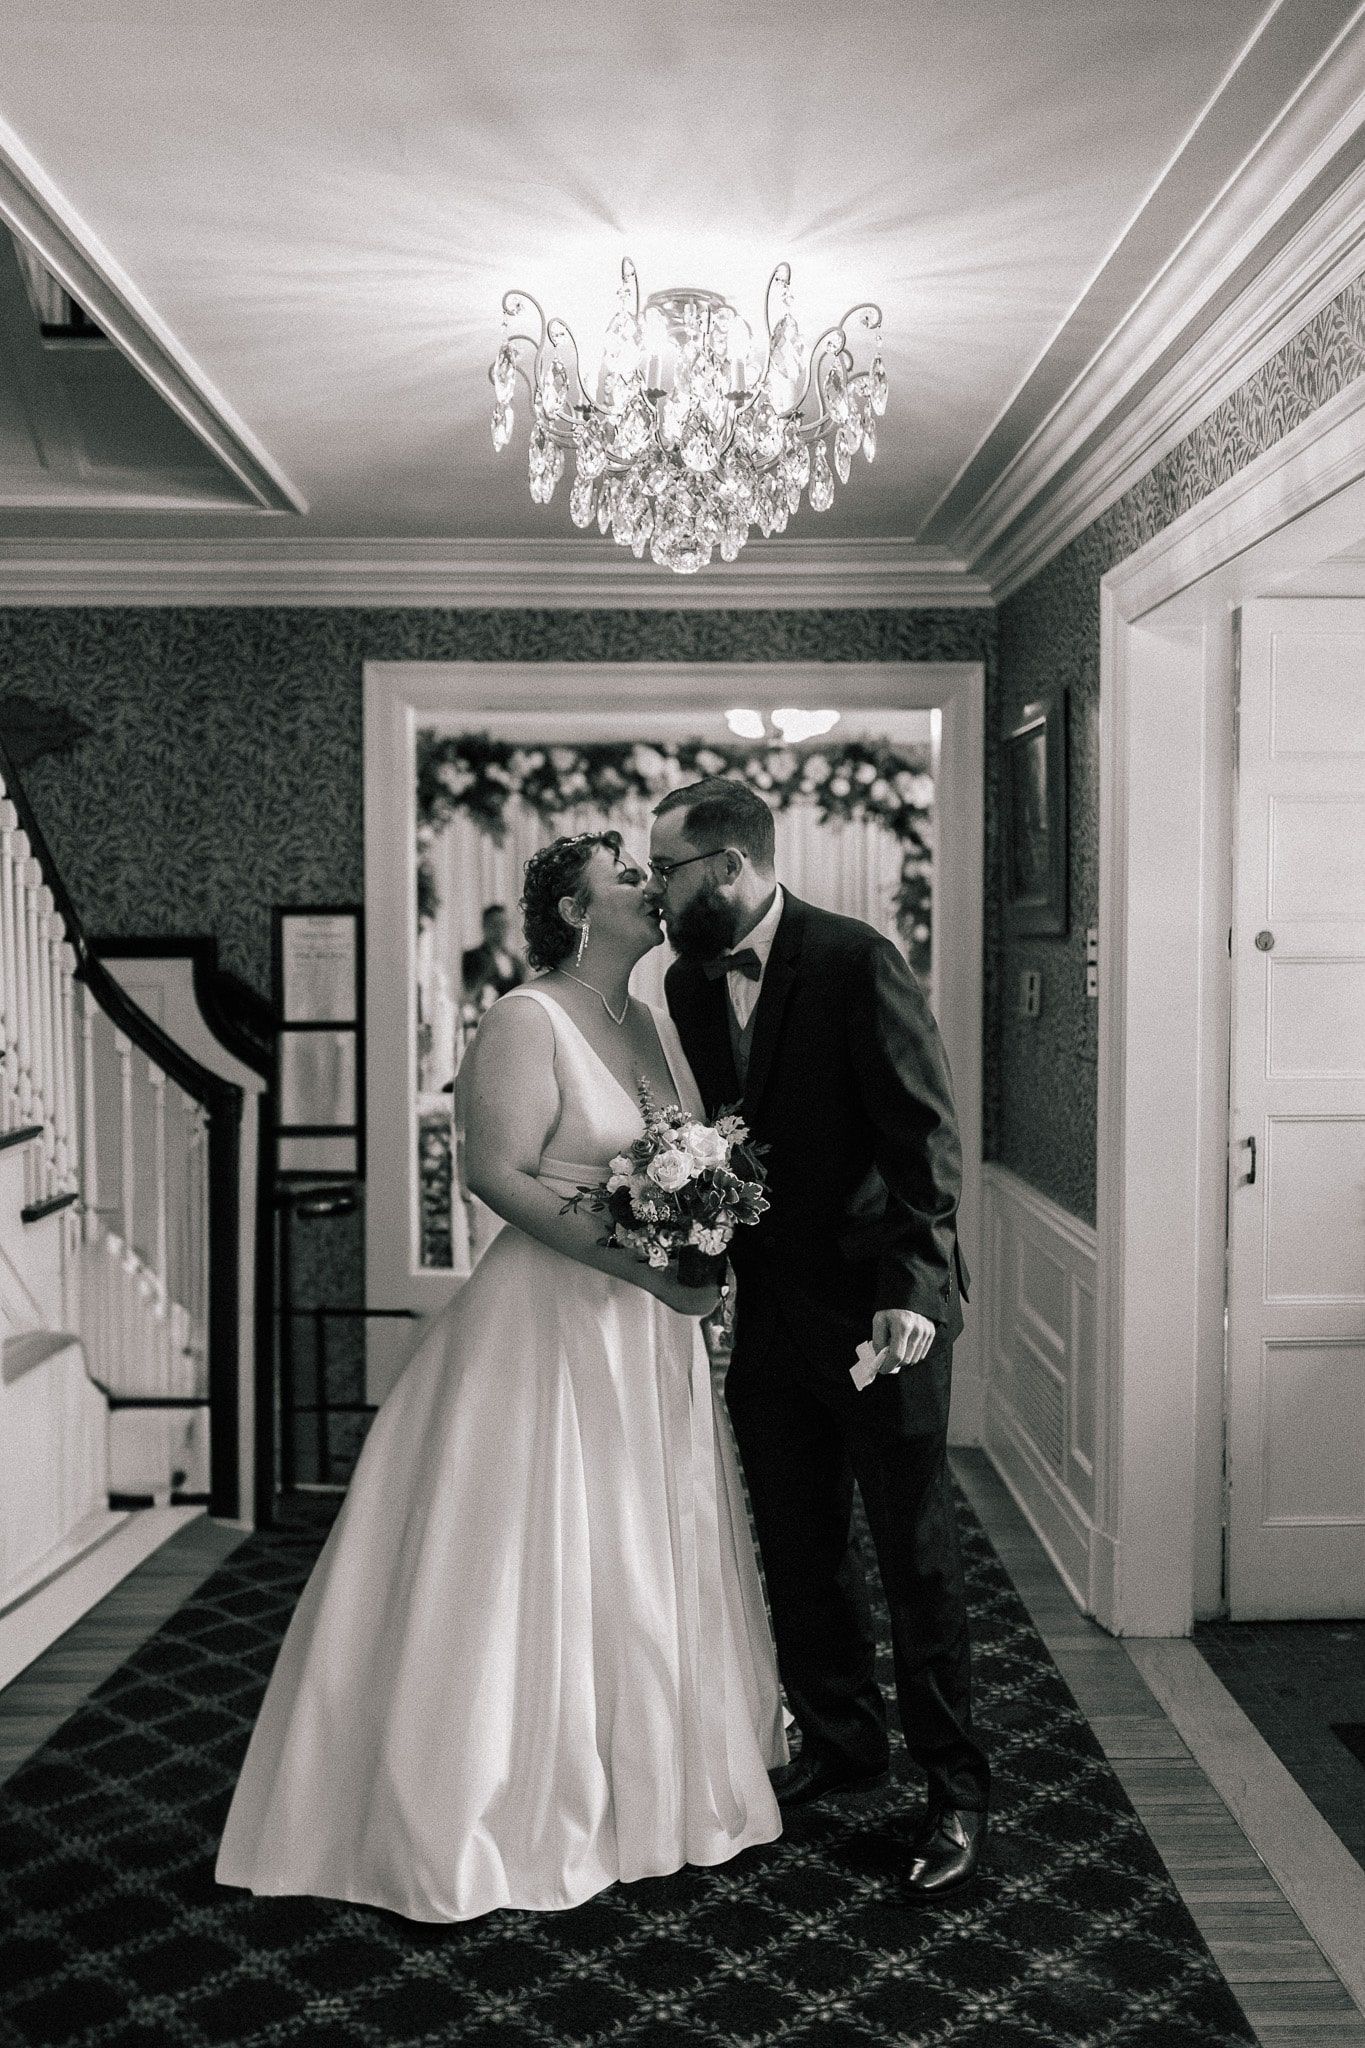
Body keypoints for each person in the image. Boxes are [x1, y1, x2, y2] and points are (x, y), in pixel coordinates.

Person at [216, 832, 785, 1922]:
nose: (650, 888)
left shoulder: (653, 1017)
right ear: (577, 908)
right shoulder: (526, 1018)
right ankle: (497, 1795)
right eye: (627, 875)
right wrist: (644, 1266)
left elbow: (682, 1154)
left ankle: (647, 1778)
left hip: (646, 1329)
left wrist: (695, 1243)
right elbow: (495, 1171)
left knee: (637, 1538)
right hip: (552, 1322)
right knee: (540, 1548)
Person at [649, 777, 989, 1900]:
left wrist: (916, 1297)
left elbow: (926, 1144)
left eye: (670, 872)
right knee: (801, 1550)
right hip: (773, 1321)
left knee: (916, 1557)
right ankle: (845, 1744)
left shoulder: (854, 959)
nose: (658, 893)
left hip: (884, 1316)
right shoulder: (689, 987)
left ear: (732, 867)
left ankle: (956, 1791)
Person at [461, 901, 526, 1008]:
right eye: (494, 925)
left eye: (503, 925)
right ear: (484, 926)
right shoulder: (472, 957)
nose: (499, 931)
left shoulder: (516, 962)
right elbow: (470, 993)